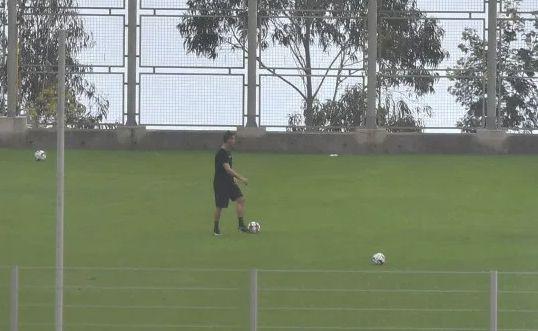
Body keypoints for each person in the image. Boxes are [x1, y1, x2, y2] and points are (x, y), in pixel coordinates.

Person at [213, 131, 249, 235]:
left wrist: (233, 178)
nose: (234, 141)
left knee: (241, 199)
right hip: (221, 183)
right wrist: (241, 178)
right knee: (220, 206)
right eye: (233, 139)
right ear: (228, 140)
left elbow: (229, 170)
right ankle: (216, 228)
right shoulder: (222, 153)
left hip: (229, 182)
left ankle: (241, 226)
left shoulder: (228, 152)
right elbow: (227, 169)